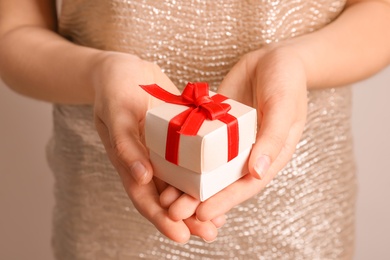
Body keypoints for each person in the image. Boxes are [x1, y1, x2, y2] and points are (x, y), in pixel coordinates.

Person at [1, 0, 389, 258]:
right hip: (108, 214)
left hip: (301, 211)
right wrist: (99, 71)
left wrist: (298, 62)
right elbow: (13, 32)